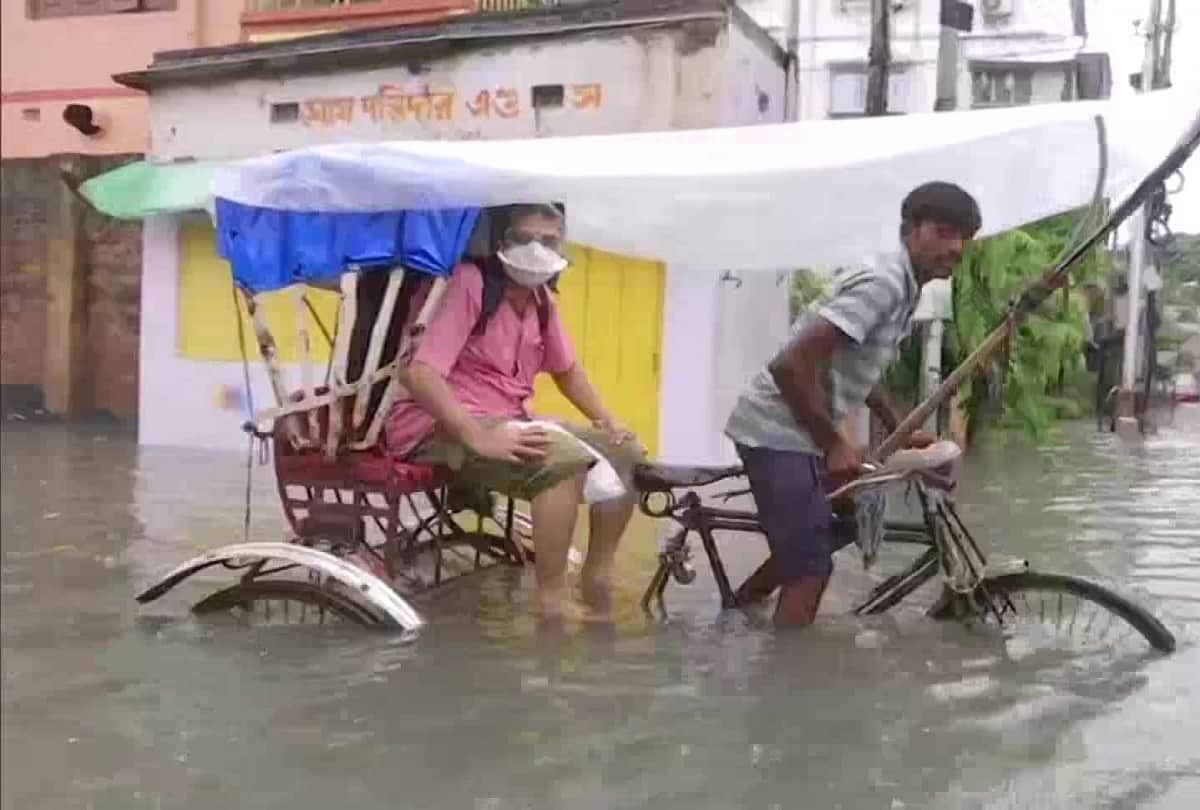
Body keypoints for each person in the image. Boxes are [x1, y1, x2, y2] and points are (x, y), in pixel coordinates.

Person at [724, 181, 982, 627]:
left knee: (841, 523)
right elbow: (789, 366)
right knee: (811, 569)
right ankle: (785, 684)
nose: (955, 247)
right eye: (943, 232)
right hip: (774, 430)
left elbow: (862, 365)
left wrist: (899, 426)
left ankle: (741, 609)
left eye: (963, 238)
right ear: (910, 230)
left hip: (801, 430)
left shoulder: (907, 286)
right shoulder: (883, 283)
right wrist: (833, 445)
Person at [385, 203, 644, 621]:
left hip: (508, 416)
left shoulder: (541, 299)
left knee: (628, 453)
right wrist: (479, 437)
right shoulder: (468, 283)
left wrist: (607, 420)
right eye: (523, 238)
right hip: (437, 423)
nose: (536, 250)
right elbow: (420, 374)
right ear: (499, 241)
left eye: (548, 240)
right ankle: (553, 599)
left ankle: (596, 575)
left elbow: (567, 370)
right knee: (559, 461)